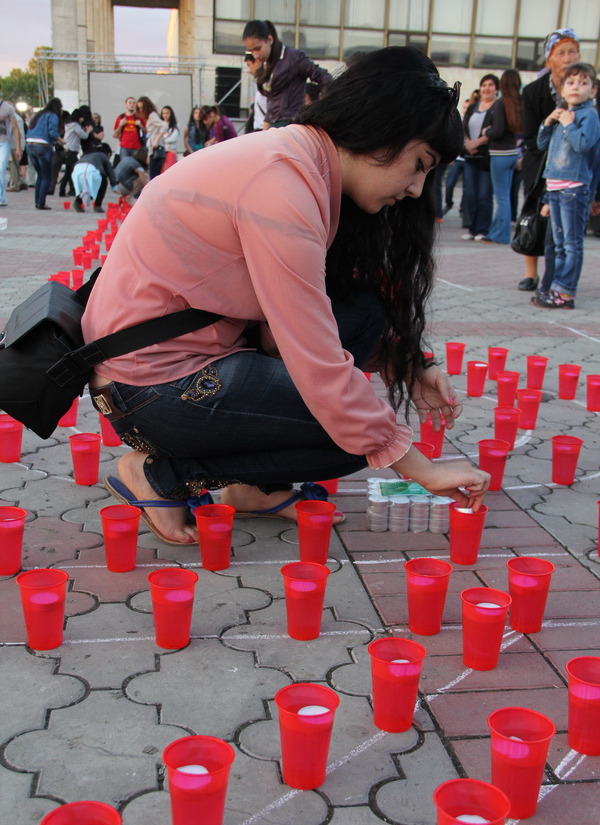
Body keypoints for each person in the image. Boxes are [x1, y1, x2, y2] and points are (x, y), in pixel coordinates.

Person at [81, 47, 490, 547]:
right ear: (382, 130)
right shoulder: (282, 185)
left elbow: (302, 327)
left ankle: (246, 485)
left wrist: (409, 362)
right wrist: (421, 467)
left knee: (362, 319)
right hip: (150, 387)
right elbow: (314, 360)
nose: (415, 189)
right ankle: (158, 475)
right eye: (419, 165)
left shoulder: (304, 163)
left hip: (179, 359)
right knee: (351, 437)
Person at [532, 63, 599, 310]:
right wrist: (548, 122)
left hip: (575, 187)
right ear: (562, 89)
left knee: (571, 244)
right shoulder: (562, 113)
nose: (576, 87)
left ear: (593, 91)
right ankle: (554, 288)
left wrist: (569, 124)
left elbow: (583, 145)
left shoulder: (589, 115)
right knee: (559, 243)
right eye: (571, 83)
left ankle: (566, 292)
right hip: (556, 186)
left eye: (583, 83)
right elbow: (542, 145)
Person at [519, 28, 580, 292]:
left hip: (575, 169)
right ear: (549, 60)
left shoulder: (589, 87)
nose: (568, 58)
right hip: (540, 164)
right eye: (561, 53)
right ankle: (531, 274)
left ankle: (557, 278)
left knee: (566, 226)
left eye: (572, 52)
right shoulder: (533, 91)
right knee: (534, 217)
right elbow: (530, 137)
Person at [242, 20, 331, 128]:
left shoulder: (293, 58)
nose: (255, 55)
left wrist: (322, 108)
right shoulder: (268, 63)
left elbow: (324, 78)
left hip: (290, 123)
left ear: (270, 39)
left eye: (257, 49)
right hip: (275, 125)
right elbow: (272, 103)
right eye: (251, 51)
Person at [483, 69, 523, 244]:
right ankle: (500, 232)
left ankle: (500, 234)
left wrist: (487, 131)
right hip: (512, 153)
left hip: (499, 154)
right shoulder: (519, 103)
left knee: (501, 197)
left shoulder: (501, 103)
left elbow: (497, 130)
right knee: (505, 195)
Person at [461, 75, 499, 241]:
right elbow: (463, 127)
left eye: (490, 85)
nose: (486, 88)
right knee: (470, 194)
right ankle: (472, 228)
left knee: (484, 195)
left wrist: (477, 143)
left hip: (486, 158)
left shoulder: (498, 107)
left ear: (496, 89)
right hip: (470, 156)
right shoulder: (473, 107)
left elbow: (495, 130)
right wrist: (468, 143)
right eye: (484, 85)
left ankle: (483, 230)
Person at [25, 97, 62, 210]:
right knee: (46, 176)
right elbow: (52, 132)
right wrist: (60, 140)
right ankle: (41, 203)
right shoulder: (52, 116)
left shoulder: (39, 115)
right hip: (43, 146)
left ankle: (37, 201)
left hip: (30, 145)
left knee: (40, 175)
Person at [72, 148, 118, 213]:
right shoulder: (103, 155)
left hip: (77, 169)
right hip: (91, 169)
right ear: (108, 154)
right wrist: (114, 186)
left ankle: (78, 201)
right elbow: (110, 171)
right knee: (102, 182)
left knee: (86, 187)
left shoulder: (87, 155)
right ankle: (97, 205)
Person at [59, 111, 91, 197]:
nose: (82, 119)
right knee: (74, 171)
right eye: (81, 117)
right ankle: (72, 190)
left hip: (67, 151)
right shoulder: (75, 126)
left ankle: (63, 191)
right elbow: (84, 136)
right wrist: (88, 131)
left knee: (68, 172)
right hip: (72, 152)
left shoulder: (69, 125)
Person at [136, 96, 168, 178]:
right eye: (139, 108)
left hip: (156, 149)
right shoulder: (150, 116)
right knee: (153, 175)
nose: (140, 110)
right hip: (152, 150)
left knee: (154, 176)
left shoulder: (152, 116)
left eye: (142, 107)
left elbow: (164, 126)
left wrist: (157, 139)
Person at [0, 95, 22, 206]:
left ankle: (1, 198)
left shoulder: (8, 108)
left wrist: (18, 148)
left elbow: (16, 128)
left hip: (4, 143)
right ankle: (2, 198)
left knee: (1, 169)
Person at [244, 53, 268, 134]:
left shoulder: (266, 84)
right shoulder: (262, 84)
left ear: (257, 62)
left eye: (249, 65)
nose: (249, 70)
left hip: (263, 131)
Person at [160, 105, 179, 171]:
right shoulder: (159, 125)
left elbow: (173, 139)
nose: (165, 115)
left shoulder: (175, 126)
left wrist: (162, 138)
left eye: (167, 113)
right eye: (164, 113)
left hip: (171, 151)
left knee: (169, 170)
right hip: (161, 152)